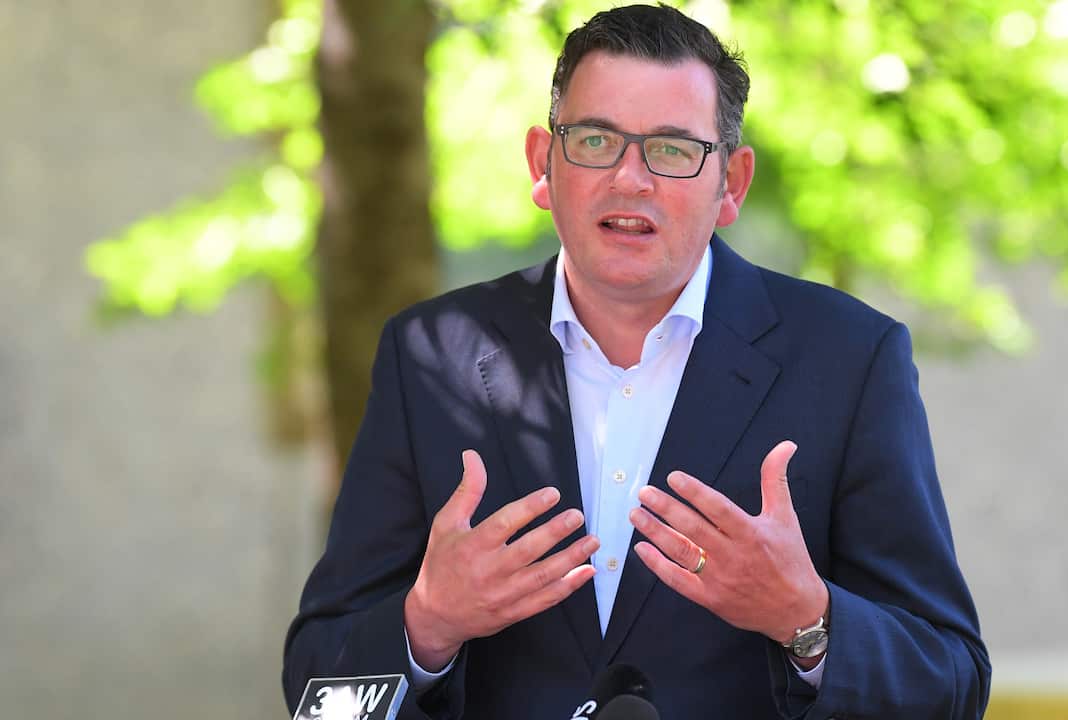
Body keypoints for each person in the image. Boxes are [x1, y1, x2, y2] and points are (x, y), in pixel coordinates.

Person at [283, 5, 990, 719]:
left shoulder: (850, 358)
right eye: (595, 139)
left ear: (732, 185)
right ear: (542, 164)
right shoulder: (430, 354)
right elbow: (319, 696)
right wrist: (427, 623)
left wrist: (807, 622)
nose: (630, 179)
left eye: (673, 150)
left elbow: (952, 685)